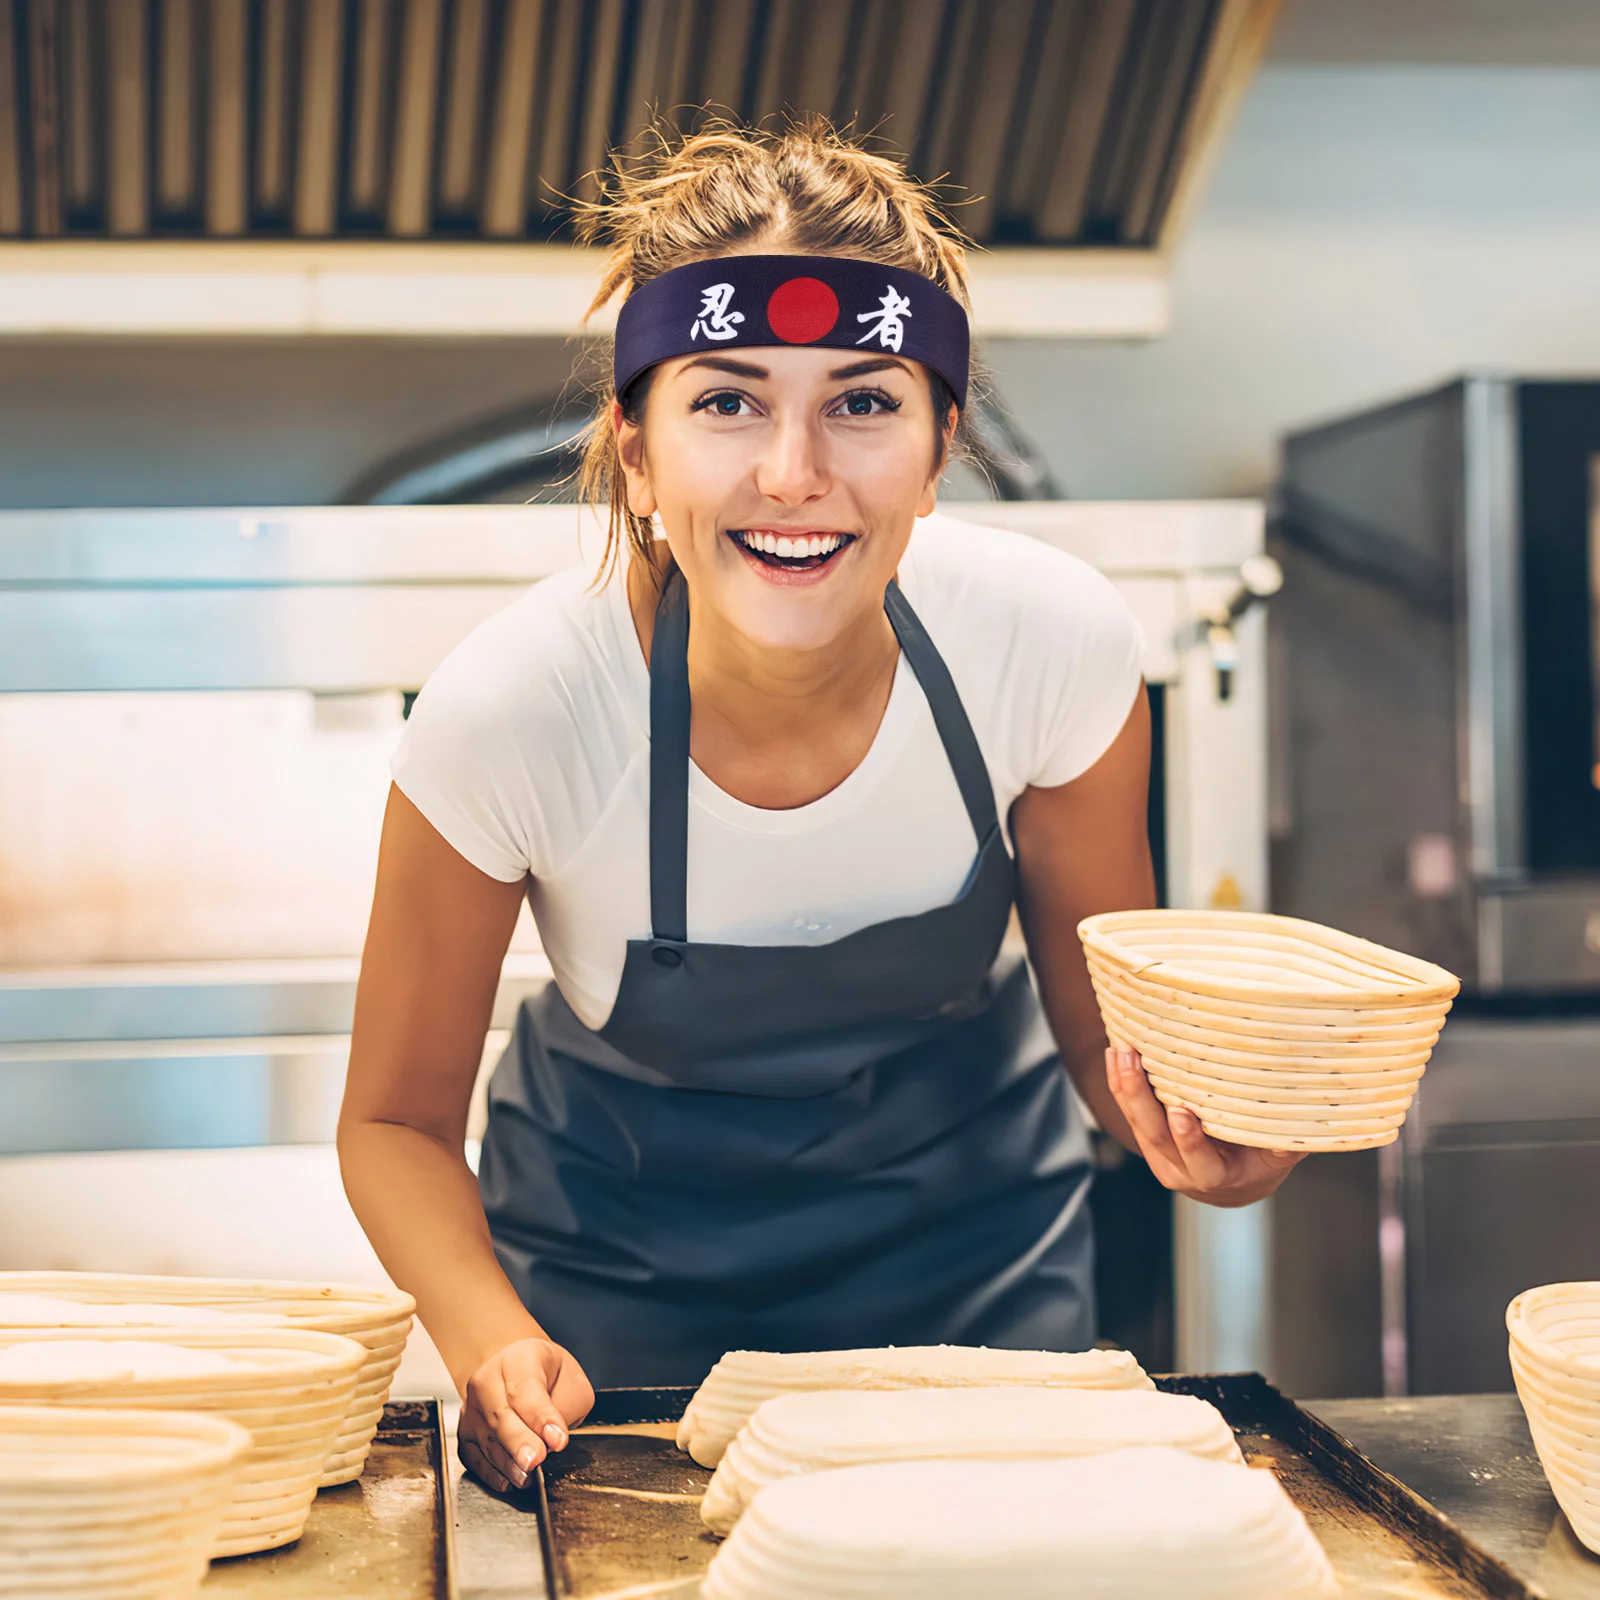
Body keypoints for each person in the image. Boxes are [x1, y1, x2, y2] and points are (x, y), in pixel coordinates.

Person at [337, 119, 1302, 1497]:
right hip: (614, 1294)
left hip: (975, 1274)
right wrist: (492, 1340)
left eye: (864, 401)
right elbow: (394, 1123)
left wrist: (1202, 1144)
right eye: (726, 401)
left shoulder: (1050, 646)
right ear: (636, 446)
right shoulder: (519, 709)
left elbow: (1109, 1043)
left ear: (941, 439)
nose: (795, 471)